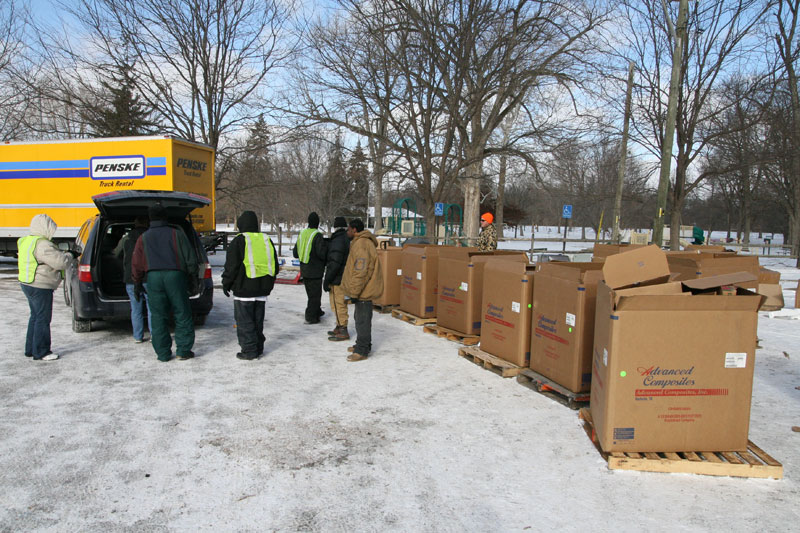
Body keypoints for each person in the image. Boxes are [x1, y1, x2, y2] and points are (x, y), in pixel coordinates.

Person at [131, 203, 198, 362]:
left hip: (153, 277)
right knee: (182, 313)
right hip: (175, 276)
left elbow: (137, 263)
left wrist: (137, 282)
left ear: (150, 218)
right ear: (165, 217)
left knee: (158, 316)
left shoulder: (143, 238)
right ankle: (183, 350)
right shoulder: (177, 234)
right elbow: (190, 258)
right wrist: (193, 277)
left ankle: (162, 353)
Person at [221, 211, 279, 360]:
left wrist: (226, 283)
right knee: (257, 322)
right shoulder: (266, 240)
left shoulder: (239, 241)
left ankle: (249, 351)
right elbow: (275, 265)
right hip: (262, 290)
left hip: (244, 290)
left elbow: (231, 266)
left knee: (245, 322)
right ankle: (258, 348)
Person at [17, 214, 76, 361]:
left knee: (35, 316)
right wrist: (71, 254)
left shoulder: (26, 241)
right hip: (40, 286)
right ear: (45, 227)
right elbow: (60, 262)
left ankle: (30, 349)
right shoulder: (43, 244)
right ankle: (42, 352)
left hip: (27, 283)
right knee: (43, 318)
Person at [340, 218, 383, 362]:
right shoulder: (359, 242)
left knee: (362, 321)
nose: (347, 232)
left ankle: (362, 350)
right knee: (359, 318)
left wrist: (353, 292)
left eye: (348, 229)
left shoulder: (362, 244)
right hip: (362, 290)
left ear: (354, 230)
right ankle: (363, 344)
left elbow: (361, 271)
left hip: (364, 290)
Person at [115, 216, 151, 343]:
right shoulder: (150, 237)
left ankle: (138, 336)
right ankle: (154, 334)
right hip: (148, 277)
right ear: (147, 223)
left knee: (136, 308)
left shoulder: (127, 238)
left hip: (131, 278)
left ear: (135, 224)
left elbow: (116, 253)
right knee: (152, 308)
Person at [293, 211, 327, 324]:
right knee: (315, 295)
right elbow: (321, 253)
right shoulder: (317, 235)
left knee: (311, 294)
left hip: (304, 270)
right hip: (315, 271)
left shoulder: (302, 234)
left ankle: (317, 311)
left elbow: (295, 253)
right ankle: (311, 316)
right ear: (318, 223)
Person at [325, 216, 351, 341]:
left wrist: (327, 279)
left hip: (337, 278)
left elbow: (335, 262)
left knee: (338, 303)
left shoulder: (338, 240)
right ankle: (339, 325)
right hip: (343, 276)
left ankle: (343, 329)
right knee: (338, 303)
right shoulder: (346, 238)